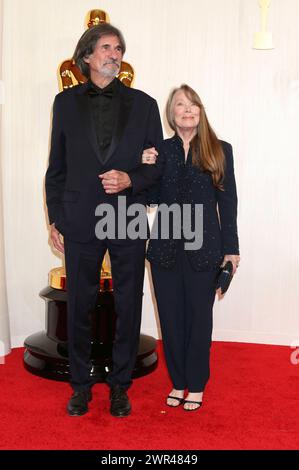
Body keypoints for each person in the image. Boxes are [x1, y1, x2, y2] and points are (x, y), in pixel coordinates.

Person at [45, 23, 163, 417]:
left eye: (119, 49)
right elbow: (56, 168)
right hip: (79, 218)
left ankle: (120, 386)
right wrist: (55, 219)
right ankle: (80, 385)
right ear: (88, 56)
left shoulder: (145, 105)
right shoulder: (64, 104)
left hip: (128, 217)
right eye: (107, 47)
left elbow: (156, 168)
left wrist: (131, 178)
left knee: (129, 304)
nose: (115, 54)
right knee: (80, 304)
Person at [142, 84, 240, 411]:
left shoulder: (219, 150)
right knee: (170, 319)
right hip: (164, 248)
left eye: (193, 104)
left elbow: (228, 204)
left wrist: (232, 249)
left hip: (206, 248)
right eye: (180, 105)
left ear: (201, 111)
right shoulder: (161, 151)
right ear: (171, 114)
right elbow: (150, 198)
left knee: (199, 319)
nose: (187, 109)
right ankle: (179, 381)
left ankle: (196, 384)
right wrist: (144, 166)